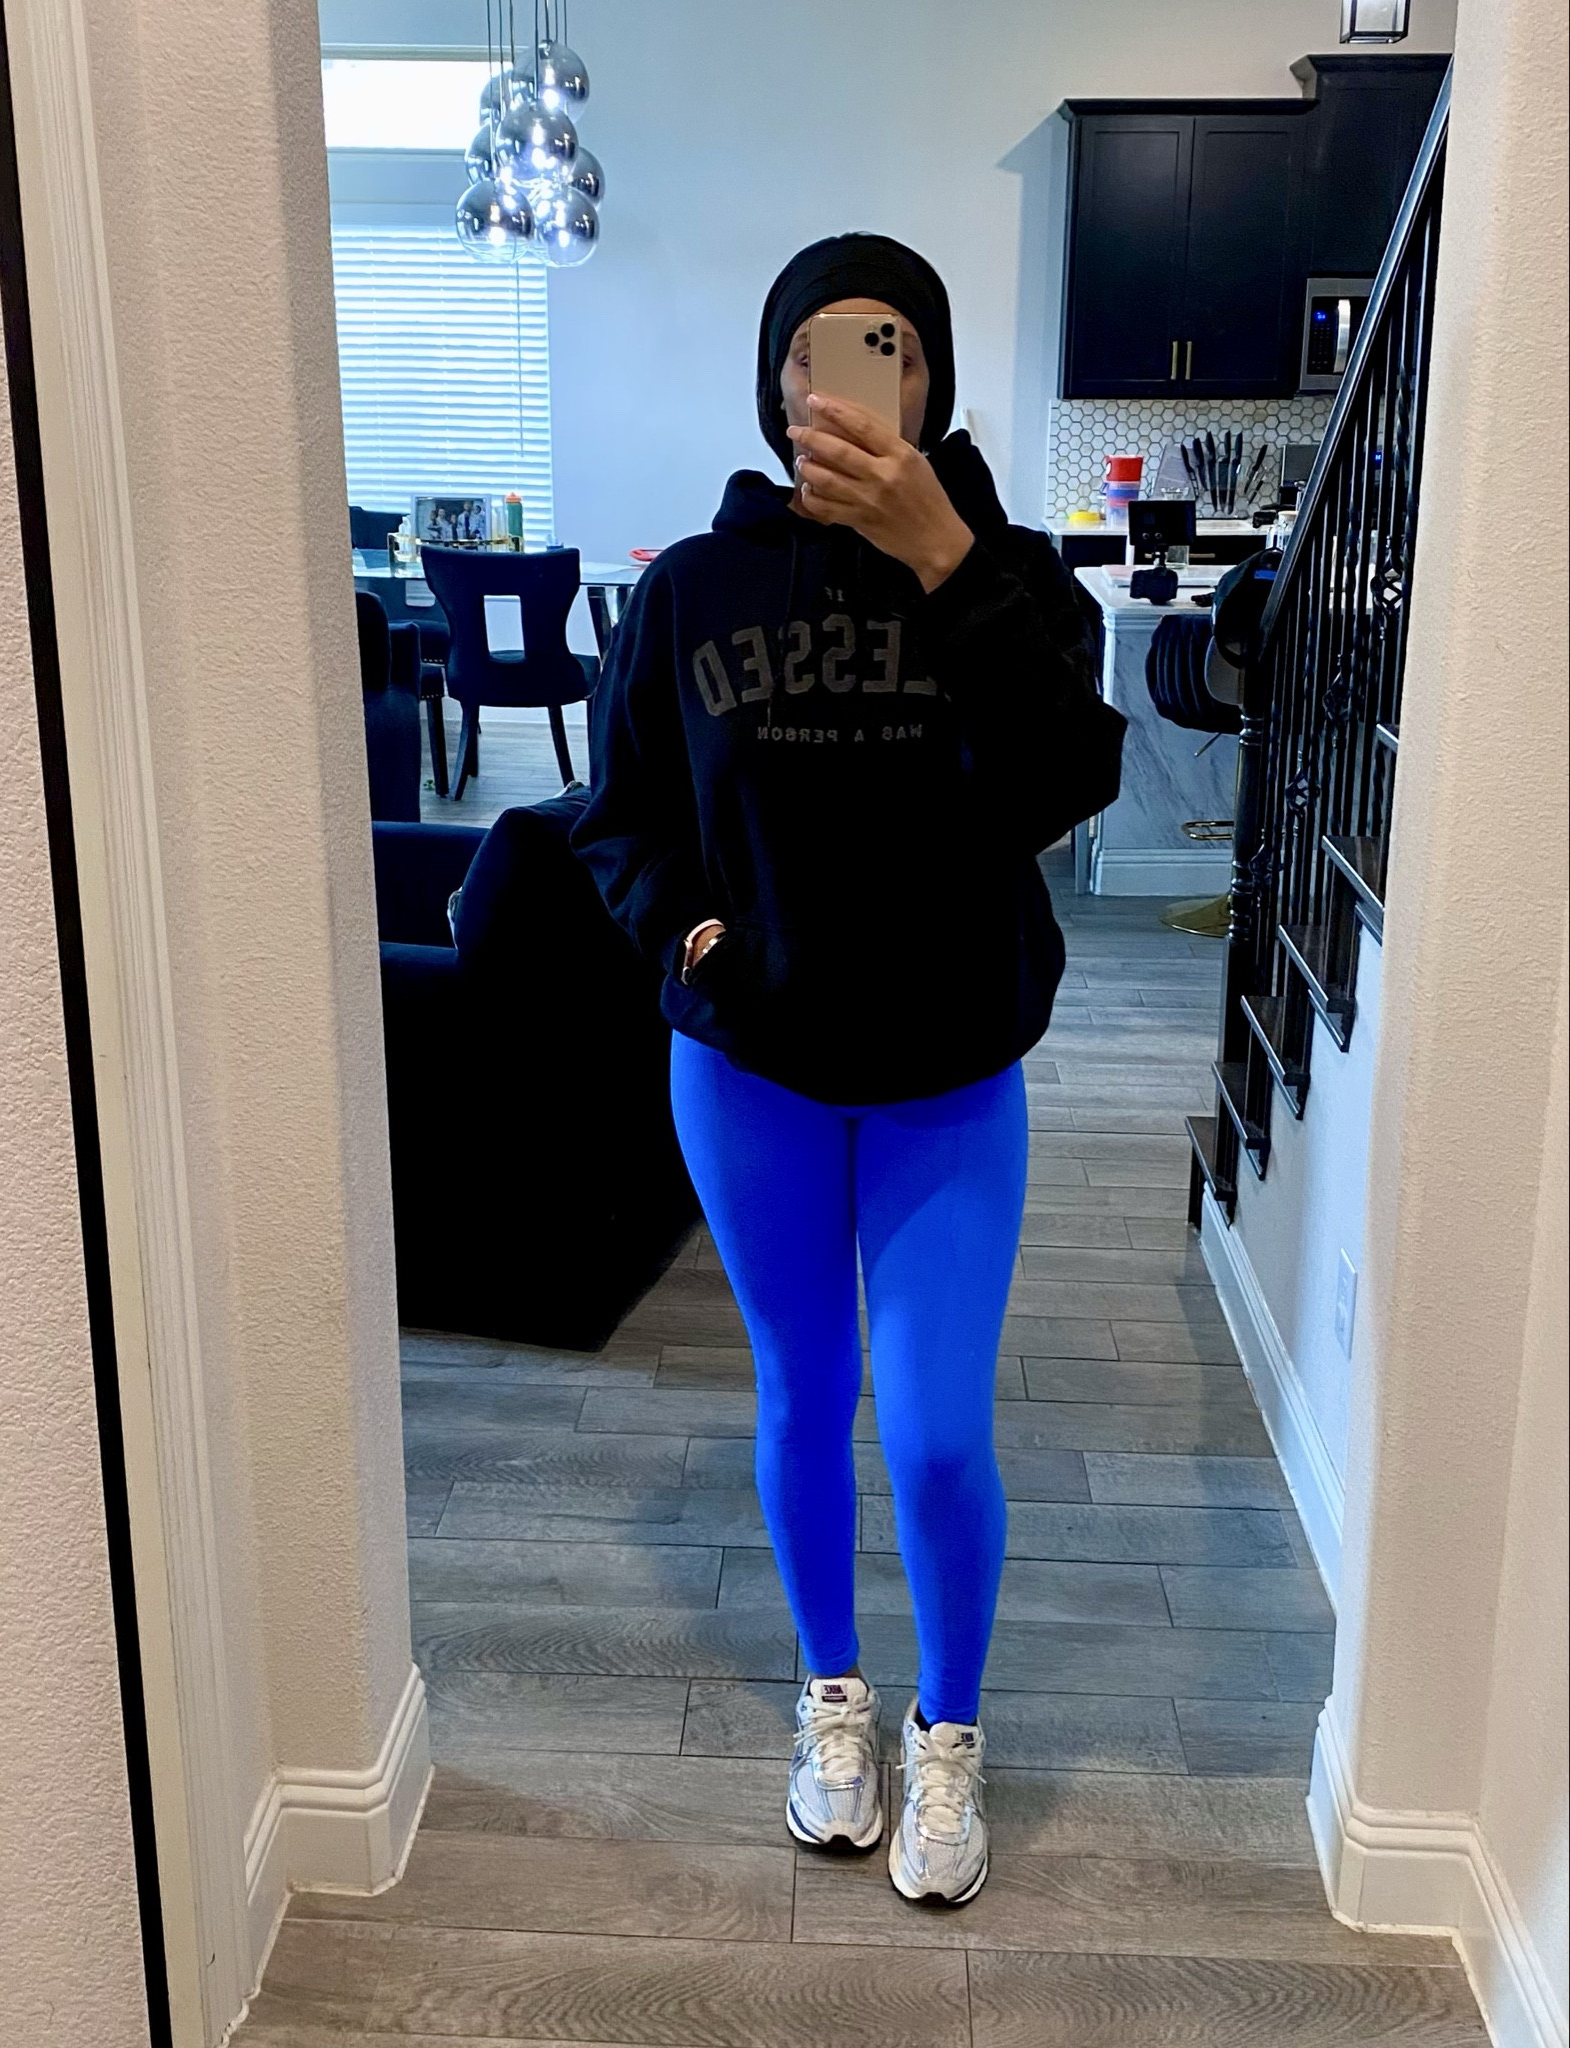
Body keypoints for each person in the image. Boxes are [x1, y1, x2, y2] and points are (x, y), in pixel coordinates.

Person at [571, 234, 1125, 1905]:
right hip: (751, 1068)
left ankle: (948, 1728)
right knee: (806, 1392)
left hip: (949, 1068)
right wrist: (683, 931)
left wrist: (946, 557)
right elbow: (620, 815)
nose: (855, 385)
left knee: (939, 1434)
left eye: (893, 351)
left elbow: (1067, 778)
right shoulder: (691, 588)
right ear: (776, 385)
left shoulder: (1010, 576)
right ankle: (835, 1700)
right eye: (819, 353)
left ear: (930, 384)